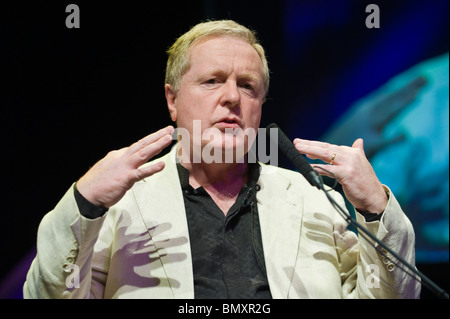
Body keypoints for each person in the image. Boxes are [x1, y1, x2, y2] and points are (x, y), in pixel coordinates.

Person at [23, 20, 420, 299]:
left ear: (261, 108)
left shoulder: (312, 198)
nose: (232, 97)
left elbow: (393, 296)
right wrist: (84, 202)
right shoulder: (118, 205)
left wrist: (375, 207)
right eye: (212, 81)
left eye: (247, 86)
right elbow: (48, 295)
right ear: (172, 99)